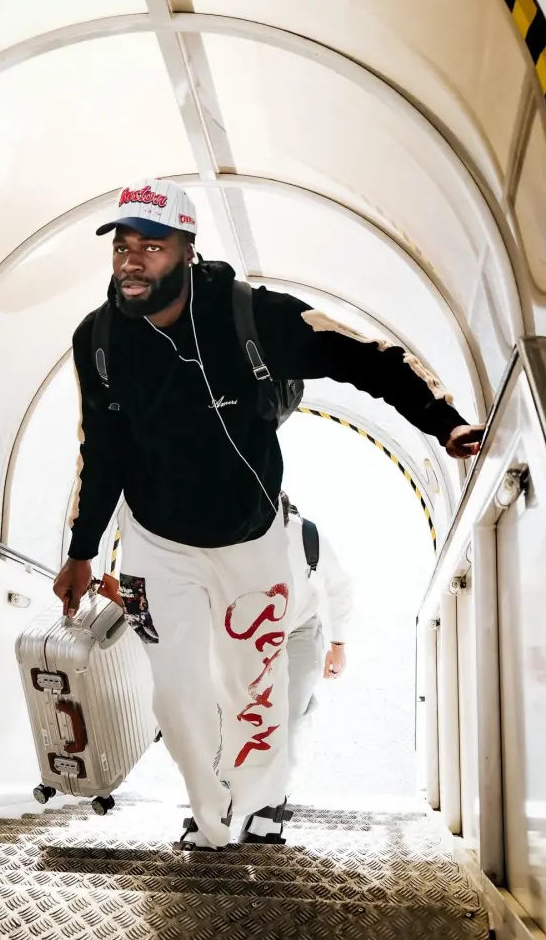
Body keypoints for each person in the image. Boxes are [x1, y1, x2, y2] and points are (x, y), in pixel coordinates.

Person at [53, 177, 484, 851]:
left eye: (152, 247)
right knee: (175, 698)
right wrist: (81, 551)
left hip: (250, 542)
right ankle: (213, 821)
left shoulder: (247, 315)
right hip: (155, 543)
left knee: (254, 697)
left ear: (188, 251)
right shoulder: (100, 339)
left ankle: (253, 805)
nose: (132, 261)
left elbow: (361, 358)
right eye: (123, 246)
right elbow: (101, 448)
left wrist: (441, 422)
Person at [281, 491, 353, 789]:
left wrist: (338, 645)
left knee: (291, 715)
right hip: (244, 633)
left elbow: (339, 587)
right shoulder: (226, 533)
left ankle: (273, 798)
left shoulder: (305, 535)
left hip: (298, 628)